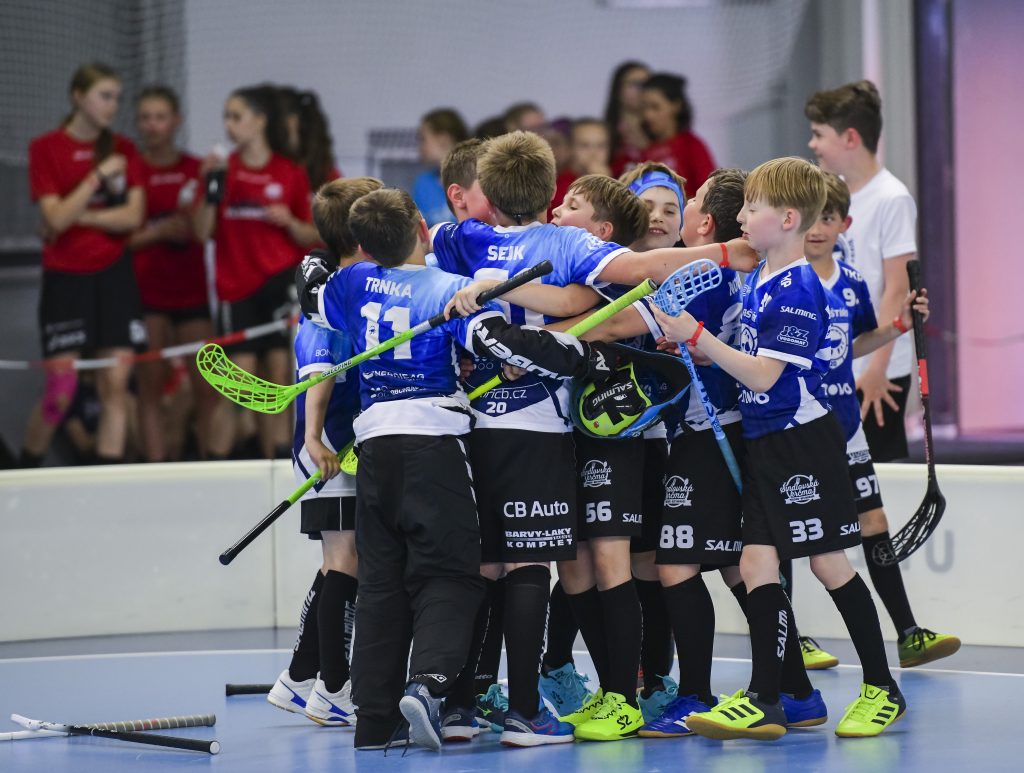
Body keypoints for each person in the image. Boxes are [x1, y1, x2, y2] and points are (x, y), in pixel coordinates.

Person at [437, 132, 758, 744]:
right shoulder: (557, 245)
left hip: (605, 433)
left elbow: (596, 305)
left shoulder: (473, 239)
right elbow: (600, 291)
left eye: (575, 206)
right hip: (558, 430)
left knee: (603, 563)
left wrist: (506, 317)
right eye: (561, 203)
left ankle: (628, 692)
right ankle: (526, 691)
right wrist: (724, 251)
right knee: (565, 565)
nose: (563, 212)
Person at [295, 187, 623, 752]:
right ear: (423, 229)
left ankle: (374, 720)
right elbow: (504, 345)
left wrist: (316, 259)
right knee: (450, 575)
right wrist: (586, 358)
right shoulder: (448, 288)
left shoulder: (351, 283)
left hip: (373, 452)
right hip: (434, 448)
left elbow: (312, 292)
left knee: (381, 585)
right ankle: (431, 687)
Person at [654, 156, 906, 741]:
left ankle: (882, 688)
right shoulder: (761, 277)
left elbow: (765, 377)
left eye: (753, 208)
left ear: (788, 218)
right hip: (765, 440)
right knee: (755, 563)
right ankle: (766, 698)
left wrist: (697, 334)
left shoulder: (796, 288)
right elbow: (750, 360)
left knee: (828, 562)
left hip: (801, 442)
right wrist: (697, 350)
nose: (741, 216)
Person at [794, 172, 960, 670]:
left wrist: (899, 325)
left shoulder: (851, 282)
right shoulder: (781, 279)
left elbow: (855, 344)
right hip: (795, 428)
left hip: (847, 428)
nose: (817, 227)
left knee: (874, 522)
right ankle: (791, 640)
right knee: (786, 534)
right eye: (810, 216)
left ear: (844, 225)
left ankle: (908, 634)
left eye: (828, 217)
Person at [267, 177, 383, 728]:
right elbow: (320, 373)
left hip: (339, 448)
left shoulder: (348, 288)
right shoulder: (330, 299)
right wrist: (315, 439)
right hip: (332, 451)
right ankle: (334, 688)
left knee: (341, 563)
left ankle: (298, 677)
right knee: (344, 564)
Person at [23, 62, 146, 468]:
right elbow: (54, 220)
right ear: (78, 97)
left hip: (114, 275)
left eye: (117, 98)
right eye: (104, 96)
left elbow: (132, 217)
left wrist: (78, 215)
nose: (113, 105)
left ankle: (106, 484)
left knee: (115, 385)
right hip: (65, 278)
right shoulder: (45, 148)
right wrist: (96, 178)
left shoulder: (124, 149)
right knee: (60, 391)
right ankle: (20, 474)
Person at [193, 85, 319, 459]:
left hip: (279, 286)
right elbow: (201, 232)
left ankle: (277, 467)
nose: (229, 125)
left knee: (279, 381)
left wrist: (289, 222)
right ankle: (215, 469)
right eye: (226, 118)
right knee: (239, 387)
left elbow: (312, 234)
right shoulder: (223, 171)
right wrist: (210, 189)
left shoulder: (289, 172)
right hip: (236, 289)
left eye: (237, 116)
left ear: (260, 120)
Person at [806, 80, 917, 461]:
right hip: (834, 360)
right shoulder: (828, 193)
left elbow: (896, 289)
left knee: (874, 471)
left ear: (850, 138)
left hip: (876, 367)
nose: (813, 144)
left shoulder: (892, 198)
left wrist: (876, 369)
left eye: (819, 134)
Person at [128, 85, 216, 463]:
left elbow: (205, 229)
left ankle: (210, 468)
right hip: (146, 294)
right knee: (149, 388)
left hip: (191, 293)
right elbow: (118, 241)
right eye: (145, 118)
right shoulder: (131, 169)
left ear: (176, 121)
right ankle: (155, 470)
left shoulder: (196, 169)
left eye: (160, 117)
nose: (152, 125)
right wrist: (159, 232)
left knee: (207, 387)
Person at [613, 74, 715, 197]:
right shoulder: (636, 150)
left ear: (676, 106)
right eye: (643, 108)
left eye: (655, 107)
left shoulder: (691, 146)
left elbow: (709, 194)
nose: (648, 115)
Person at [412, 108, 469, 226]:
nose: (420, 147)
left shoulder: (475, 180)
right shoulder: (423, 183)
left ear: (443, 138)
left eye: (423, 139)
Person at [548, 119, 612, 220]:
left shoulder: (617, 176)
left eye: (601, 145)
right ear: (569, 149)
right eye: (584, 146)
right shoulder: (559, 189)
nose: (593, 153)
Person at [604, 61, 651, 177]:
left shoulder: (662, 133)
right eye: (636, 84)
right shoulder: (605, 132)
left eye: (648, 85)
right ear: (618, 89)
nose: (643, 90)